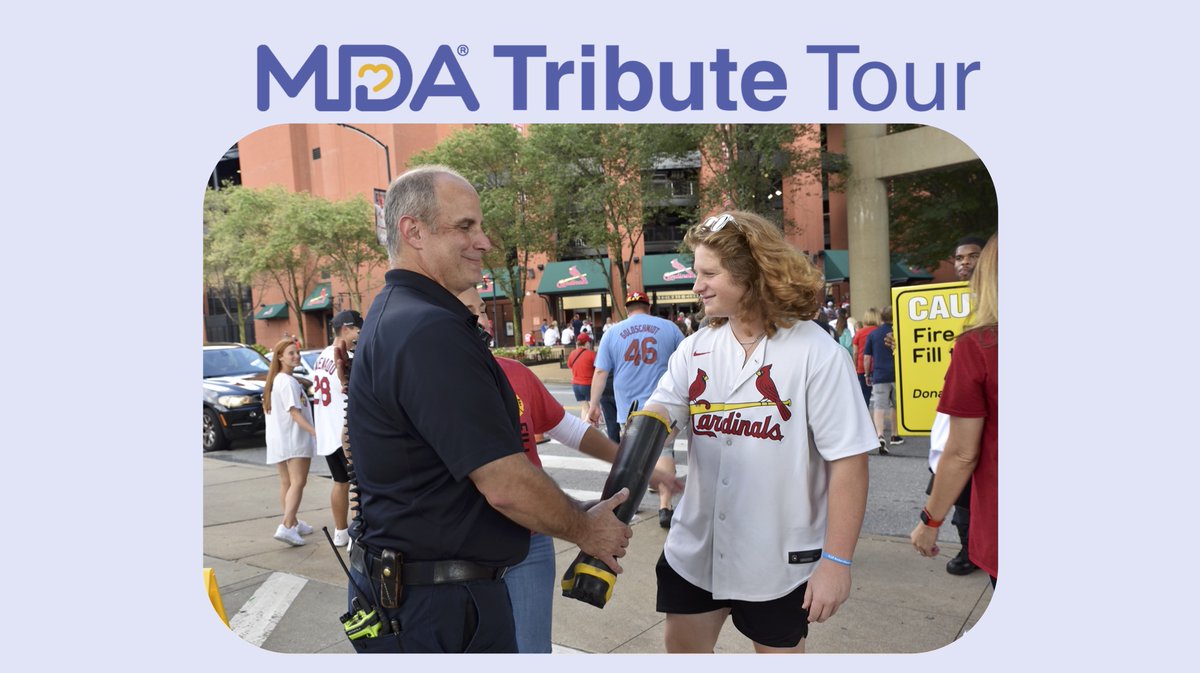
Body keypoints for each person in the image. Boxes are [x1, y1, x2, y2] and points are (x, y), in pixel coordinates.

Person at [347, 165, 632, 653]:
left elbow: (441, 481)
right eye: (465, 227)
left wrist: (572, 510)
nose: (483, 242)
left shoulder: (397, 313)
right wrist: (586, 529)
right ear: (413, 231)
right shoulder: (428, 330)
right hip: (442, 609)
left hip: (422, 596)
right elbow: (503, 485)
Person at [641, 211, 874, 654]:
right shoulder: (695, 348)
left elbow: (849, 462)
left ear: (752, 273)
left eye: (709, 273)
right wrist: (645, 444)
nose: (697, 286)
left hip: (778, 561)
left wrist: (837, 561)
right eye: (696, 273)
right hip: (695, 552)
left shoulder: (817, 353)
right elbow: (661, 414)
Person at [457, 285, 683, 652]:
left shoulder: (516, 374)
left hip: (530, 543)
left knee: (531, 650)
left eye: (482, 309)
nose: (482, 319)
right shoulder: (439, 384)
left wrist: (642, 467)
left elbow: (571, 431)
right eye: (471, 310)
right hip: (465, 549)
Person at [911, 234, 998, 586]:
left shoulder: (980, 344)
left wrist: (930, 521)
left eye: (974, 258)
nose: (964, 264)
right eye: (958, 257)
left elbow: (962, 452)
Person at [588, 290, 686, 528]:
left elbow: (600, 372)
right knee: (664, 451)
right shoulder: (670, 328)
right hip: (664, 402)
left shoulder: (612, 332)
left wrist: (593, 405)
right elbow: (686, 363)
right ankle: (665, 506)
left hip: (629, 407)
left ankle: (628, 503)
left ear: (627, 309)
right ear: (648, 307)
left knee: (632, 456)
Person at [311, 309, 363, 550]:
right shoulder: (343, 357)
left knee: (340, 482)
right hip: (343, 430)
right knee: (357, 486)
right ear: (345, 329)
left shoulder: (321, 357)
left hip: (327, 429)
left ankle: (340, 532)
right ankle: (356, 536)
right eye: (357, 329)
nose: (360, 334)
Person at [263, 338, 317, 547]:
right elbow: (294, 413)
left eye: (297, 352)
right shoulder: (287, 381)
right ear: (280, 357)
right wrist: (315, 432)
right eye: (291, 353)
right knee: (298, 482)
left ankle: (292, 521)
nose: (296, 356)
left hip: (280, 439)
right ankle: (286, 526)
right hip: (293, 439)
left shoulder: (278, 380)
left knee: (287, 482)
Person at [863, 305, 901, 454]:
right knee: (896, 405)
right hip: (897, 374)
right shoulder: (899, 332)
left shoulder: (873, 334)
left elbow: (867, 357)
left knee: (879, 406)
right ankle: (895, 434)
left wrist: (867, 374)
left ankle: (879, 435)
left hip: (879, 374)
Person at [851, 308, 880, 407]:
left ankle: (866, 414)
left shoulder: (859, 333)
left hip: (862, 366)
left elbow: (855, 352)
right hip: (877, 366)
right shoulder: (879, 331)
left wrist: (855, 365)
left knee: (865, 395)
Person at [567, 332, 597, 419]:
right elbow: (598, 368)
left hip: (576, 385)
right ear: (587, 343)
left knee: (585, 408)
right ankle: (591, 424)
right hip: (588, 384)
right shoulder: (592, 354)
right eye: (589, 342)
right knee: (592, 408)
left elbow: (570, 366)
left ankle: (584, 424)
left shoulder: (572, 353)